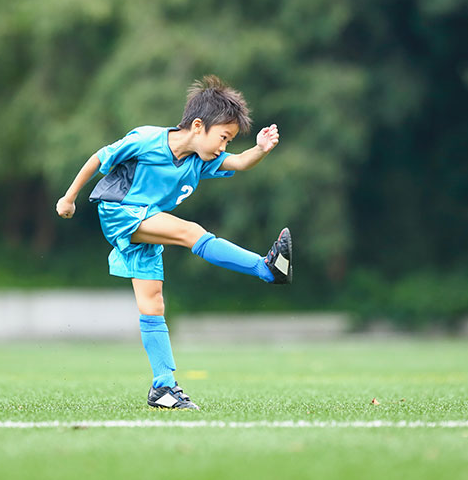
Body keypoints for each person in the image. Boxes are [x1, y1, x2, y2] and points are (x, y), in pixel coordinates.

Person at [55, 75, 293, 410]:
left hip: (147, 223)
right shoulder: (147, 139)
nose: (224, 147)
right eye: (223, 137)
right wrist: (68, 198)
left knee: (153, 305)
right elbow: (99, 158)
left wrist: (260, 149)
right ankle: (266, 269)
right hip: (119, 212)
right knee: (191, 232)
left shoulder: (201, 160)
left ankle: (163, 388)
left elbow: (240, 162)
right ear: (198, 126)